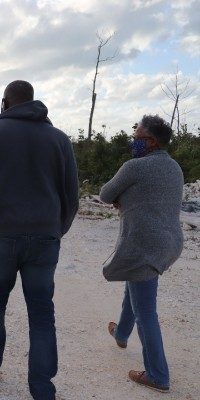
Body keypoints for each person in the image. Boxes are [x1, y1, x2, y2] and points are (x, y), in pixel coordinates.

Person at [0, 80, 79, 400]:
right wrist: (56, 229)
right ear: (33, 101)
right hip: (44, 239)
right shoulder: (60, 140)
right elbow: (71, 195)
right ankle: (42, 389)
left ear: (4, 103)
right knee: (42, 313)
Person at [100, 114, 183, 393]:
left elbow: (105, 194)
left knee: (145, 311)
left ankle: (158, 375)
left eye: (137, 137)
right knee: (135, 285)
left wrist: (121, 199)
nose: (133, 140)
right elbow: (154, 198)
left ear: (150, 141)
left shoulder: (134, 167)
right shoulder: (174, 168)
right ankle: (121, 333)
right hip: (170, 243)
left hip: (144, 245)